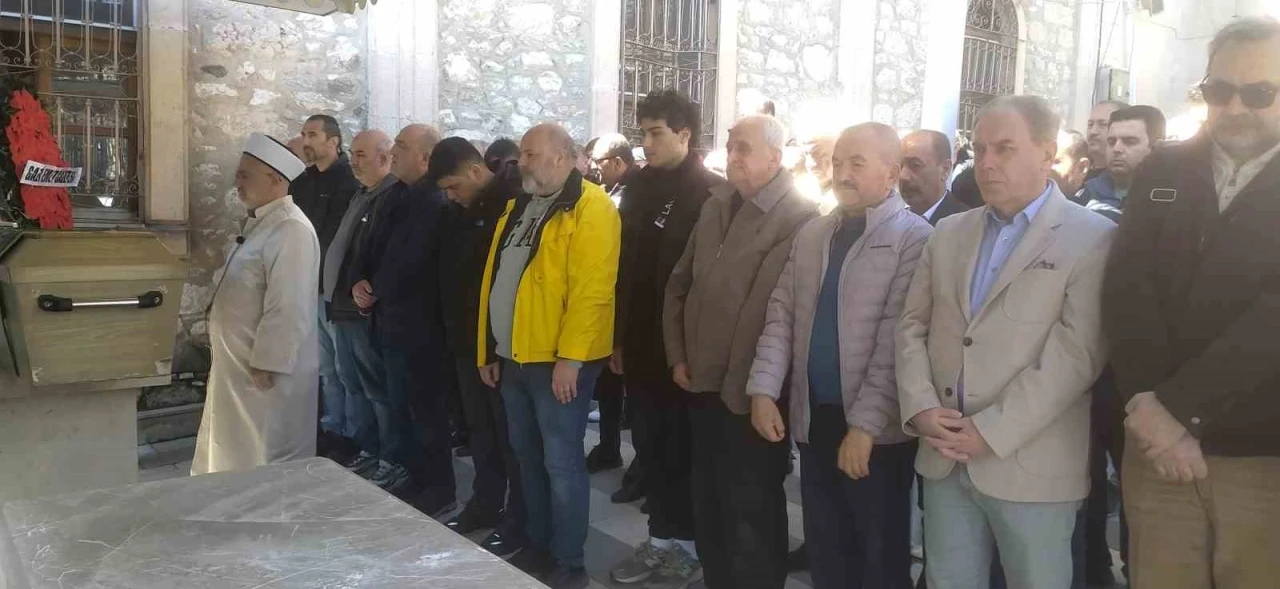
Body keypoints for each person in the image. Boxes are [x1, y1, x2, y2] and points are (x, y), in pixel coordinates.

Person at [895, 95, 1115, 589]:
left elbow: (1077, 354)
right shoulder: (949, 232)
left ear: (1046, 152)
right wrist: (921, 406)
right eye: (980, 149)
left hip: (1032, 464)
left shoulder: (1092, 237)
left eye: (1005, 149)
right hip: (945, 453)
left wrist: (991, 430)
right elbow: (911, 326)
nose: (987, 163)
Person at [1103, 17, 1280, 589]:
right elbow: (1128, 290)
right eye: (1219, 90)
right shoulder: (1165, 165)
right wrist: (1151, 410)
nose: (1235, 107)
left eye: (1259, 92)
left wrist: (1182, 411)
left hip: (1262, 458)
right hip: (1154, 444)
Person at [747, 123, 931, 589]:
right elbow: (782, 313)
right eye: (838, 162)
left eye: (857, 163)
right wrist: (764, 390)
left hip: (876, 434)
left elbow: (896, 341)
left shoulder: (914, 239)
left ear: (891, 173)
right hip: (816, 419)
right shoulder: (814, 234)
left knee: (879, 556)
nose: (842, 173)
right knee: (826, 548)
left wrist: (865, 428)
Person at [664, 114, 818, 589]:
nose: (732, 156)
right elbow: (680, 284)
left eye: (744, 148)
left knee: (751, 509)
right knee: (709, 501)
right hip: (701, 382)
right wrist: (678, 355)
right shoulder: (717, 205)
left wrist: (748, 389)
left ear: (775, 157)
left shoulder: (798, 217)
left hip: (751, 392)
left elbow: (766, 311)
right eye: (730, 146)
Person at [476, 123, 621, 589]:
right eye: (522, 153)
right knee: (526, 457)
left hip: (555, 361)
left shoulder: (591, 206)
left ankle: (568, 560)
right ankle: (537, 544)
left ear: (562, 157)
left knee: (560, 463)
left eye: (531, 153)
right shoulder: (518, 205)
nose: (521, 161)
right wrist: (488, 348)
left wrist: (571, 359)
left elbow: (593, 290)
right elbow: (495, 279)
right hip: (513, 355)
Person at [607, 90, 722, 589]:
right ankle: (660, 538)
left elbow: (708, 281)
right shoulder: (636, 186)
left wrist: (692, 351)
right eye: (643, 133)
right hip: (639, 343)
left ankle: (690, 546)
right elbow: (623, 268)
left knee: (683, 449)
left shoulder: (712, 194)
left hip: (685, 350)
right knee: (649, 445)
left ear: (684, 134)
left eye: (656, 133)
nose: (646, 143)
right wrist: (618, 339)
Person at [193, 133, 319, 475]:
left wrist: (268, 363)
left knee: (264, 457)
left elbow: (288, 305)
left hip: (263, 376)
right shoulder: (262, 224)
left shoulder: (291, 228)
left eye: (245, 175)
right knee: (233, 452)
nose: (238, 183)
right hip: (239, 370)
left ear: (275, 179)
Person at [429, 137, 528, 559]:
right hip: (463, 342)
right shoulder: (458, 210)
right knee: (481, 432)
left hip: (497, 347)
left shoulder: (512, 205)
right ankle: (485, 503)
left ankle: (518, 519)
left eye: (454, 186)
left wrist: (492, 347)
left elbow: (504, 284)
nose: (451, 196)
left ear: (474, 171)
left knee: (510, 439)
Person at [351, 123, 456, 515]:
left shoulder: (435, 201)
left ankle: (439, 488)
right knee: (401, 407)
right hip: (389, 321)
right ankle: (414, 475)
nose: (393, 151)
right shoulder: (395, 194)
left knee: (426, 412)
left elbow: (413, 261)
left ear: (425, 158)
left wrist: (376, 288)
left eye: (401, 145)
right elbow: (369, 244)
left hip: (420, 327)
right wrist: (359, 280)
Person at [322, 129, 397, 480]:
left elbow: (376, 254)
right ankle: (367, 449)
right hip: (342, 307)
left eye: (361, 155)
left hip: (362, 310)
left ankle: (389, 457)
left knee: (375, 388)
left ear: (384, 158)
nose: (353, 161)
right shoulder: (363, 193)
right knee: (353, 383)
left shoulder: (389, 196)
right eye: (352, 153)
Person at [290, 114, 361, 462]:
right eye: (304, 134)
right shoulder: (302, 183)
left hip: (334, 290)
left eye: (313, 134)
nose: (306, 140)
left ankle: (353, 436)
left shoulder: (350, 182)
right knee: (324, 368)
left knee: (345, 369)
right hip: (306, 286)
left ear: (333, 141)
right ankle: (332, 429)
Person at [584, 133, 641, 477]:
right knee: (608, 385)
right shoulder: (610, 191)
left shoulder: (632, 195)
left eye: (599, 161)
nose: (594, 167)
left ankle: (637, 462)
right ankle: (608, 447)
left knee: (629, 386)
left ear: (618, 162)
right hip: (609, 298)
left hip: (627, 301)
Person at [1079, 105, 1167, 221]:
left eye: (1130, 141)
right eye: (1111, 142)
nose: (1117, 149)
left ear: (1157, 146)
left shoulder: (1175, 198)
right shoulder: (1085, 195)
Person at [901, 130, 968, 225]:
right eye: (900, 166)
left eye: (915, 165)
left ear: (945, 169)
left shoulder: (966, 225)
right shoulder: (893, 221)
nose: (903, 176)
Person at [1085, 100, 1129, 181]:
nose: (1093, 131)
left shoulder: (1127, 181)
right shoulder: (1076, 173)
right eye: (1090, 124)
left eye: (1103, 124)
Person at [1052, 130, 1092, 201]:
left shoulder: (1096, 206)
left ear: (1082, 168)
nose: (1046, 167)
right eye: (1045, 159)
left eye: (1056, 162)